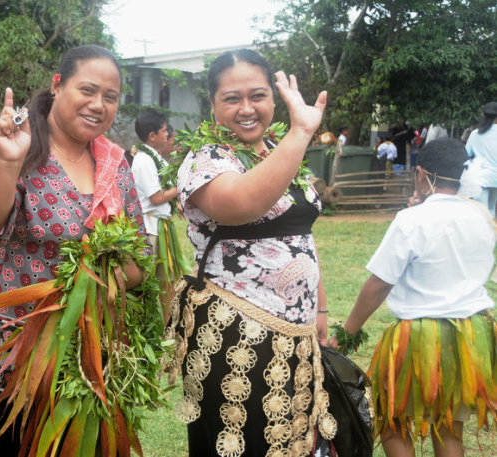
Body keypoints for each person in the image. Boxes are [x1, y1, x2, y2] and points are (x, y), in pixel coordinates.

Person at [0, 44, 147, 455]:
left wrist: (110, 275)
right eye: (88, 90)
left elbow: (139, 261)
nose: (99, 105)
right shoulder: (19, 143)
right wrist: (8, 164)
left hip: (85, 359)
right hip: (6, 351)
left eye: (110, 97)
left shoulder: (116, 164)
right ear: (58, 85)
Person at [168, 49, 334, 457]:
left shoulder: (278, 148)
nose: (246, 108)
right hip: (236, 333)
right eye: (232, 98)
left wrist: (321, 310)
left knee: (293, 440)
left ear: (273, 101)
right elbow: (240, 203)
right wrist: (301, 133)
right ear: (213, 104)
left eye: (257, 95)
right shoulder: (207, 156)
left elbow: (300, 235)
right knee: (243, 443)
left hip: (297, 332)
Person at [330, 138, 497, 457]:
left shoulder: (411, 220)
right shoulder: (482, 216)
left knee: (392, 420)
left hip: (422, 335)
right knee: (448, 426)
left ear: (421, 173)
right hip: (470, 338)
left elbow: (379, 283)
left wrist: (349, 330)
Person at [131, 108, 179, 319]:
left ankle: (169, 323)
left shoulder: (157, 159)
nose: (167, 135)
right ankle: (142, 324)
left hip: (161, 226)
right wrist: (181, 187)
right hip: (150, 230)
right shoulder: (143, 160)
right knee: (146, 280)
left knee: (167, 278)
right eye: (164, 131)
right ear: (152, 136)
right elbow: (157, 197)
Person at [465, 102, 497, 217]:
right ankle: (492, 234)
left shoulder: (475, 134)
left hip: (480, 178)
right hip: (496, 178)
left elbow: (466, 154)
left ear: (483, 114)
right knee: (492, 209)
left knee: (482, 211)